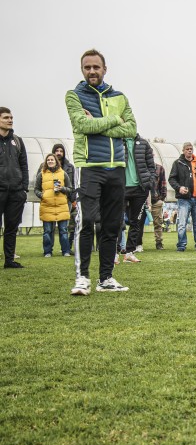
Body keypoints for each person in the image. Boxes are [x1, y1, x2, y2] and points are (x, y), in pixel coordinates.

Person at [67, 50, 137, 294]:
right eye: (87, 67)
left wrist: (99, 124)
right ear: (82, 69)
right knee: (86, 222)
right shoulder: (74, 96)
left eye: (96, 67)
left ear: (105, 69)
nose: (92, 71)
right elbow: (82, 125)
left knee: (111, 225)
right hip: (89, 167)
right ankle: (82, 278)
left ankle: (106, 278)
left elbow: (131, 129)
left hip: (116, 168)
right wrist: (114, 120)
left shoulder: (119, 96)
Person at [0, 108, 28, 269]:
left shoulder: (17, 141)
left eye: (11, 117)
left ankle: (9, 260)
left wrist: (24, 188)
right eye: (6, 118)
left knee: (11, 228)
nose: (10, 120)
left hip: (16, 192)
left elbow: (24, 165)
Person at [122, 134, 156, 263]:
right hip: (121, 188)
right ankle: (113, 253)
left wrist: (150, 181)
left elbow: (151, 166)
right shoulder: (117, 141)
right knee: (116, 222)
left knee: (136, 222)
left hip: (140, 189)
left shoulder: (144, 143)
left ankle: (129, 252)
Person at [169, 142, 196, 252]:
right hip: (184, 199)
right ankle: (181, 245)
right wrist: (179, 188)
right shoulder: (178, 163)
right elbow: (171, 179)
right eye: (187, 149)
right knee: (182, 224)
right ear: (183, 150)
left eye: (191, 149)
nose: (189, 150)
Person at [34, 154, 73, 257]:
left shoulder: (63, 174)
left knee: (63, 231)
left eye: (52, 160)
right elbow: (36, 189)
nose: (50, 161)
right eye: (48, 160)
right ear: (46, 162)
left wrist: (62, 188)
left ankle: (66, 251)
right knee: (47, 231)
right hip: (47, 206)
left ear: (56, 161)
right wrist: (42, 195)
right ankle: (47, 251)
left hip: (61, 206)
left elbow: (70, 189)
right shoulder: (41, 174)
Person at [151, 163, 167, 250]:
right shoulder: (139, 167)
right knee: (138, 223)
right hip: (141, 199)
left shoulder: (159, 168)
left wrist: (161, 198)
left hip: (155, 200)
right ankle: (137, 244)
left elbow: (163, 183)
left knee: (158, 223)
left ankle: (159, 242)